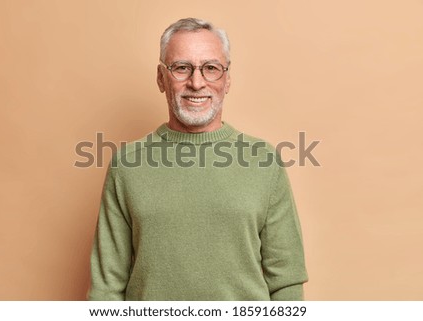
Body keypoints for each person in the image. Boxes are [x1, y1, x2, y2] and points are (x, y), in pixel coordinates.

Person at [88, 17, 308, 301]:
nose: (196, 82)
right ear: (160, 78)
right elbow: (106, 288)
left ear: (227, 79)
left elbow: (287, 282)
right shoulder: (126, 165)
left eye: (211, 68)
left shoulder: (264, 161)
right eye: (181, 68)